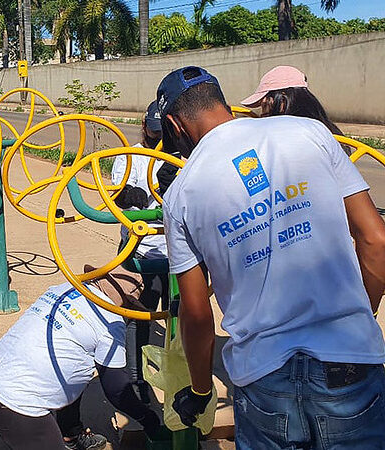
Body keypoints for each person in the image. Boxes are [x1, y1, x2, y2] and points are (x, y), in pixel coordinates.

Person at [154, 66, 385, 449]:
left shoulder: (179, 195)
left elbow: (195, 312)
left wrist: (199, 390)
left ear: (176, 125)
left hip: (263, 375)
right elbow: (375, 239)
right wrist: (358, 314)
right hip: (349, 360)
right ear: (221, 101)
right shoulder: (310, 132)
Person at [0, 268, 163, 450]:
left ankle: (70, 433)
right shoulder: (110, 322)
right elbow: (115, 389)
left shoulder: (64, 288)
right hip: (19, 410)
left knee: (77, 364)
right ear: (128, 305)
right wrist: (147, 418)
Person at [109, 100, 167, 402]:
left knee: (179, 313)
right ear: (144, 126)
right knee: (139, 312)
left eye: (162, 131)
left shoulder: (177, 155)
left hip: (173, 251)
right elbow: (116, 194)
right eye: (153, 130)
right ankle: (135, 376)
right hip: (139, 249)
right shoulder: (130, 156)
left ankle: (177, 369)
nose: (157, 136)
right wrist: (128, 196)